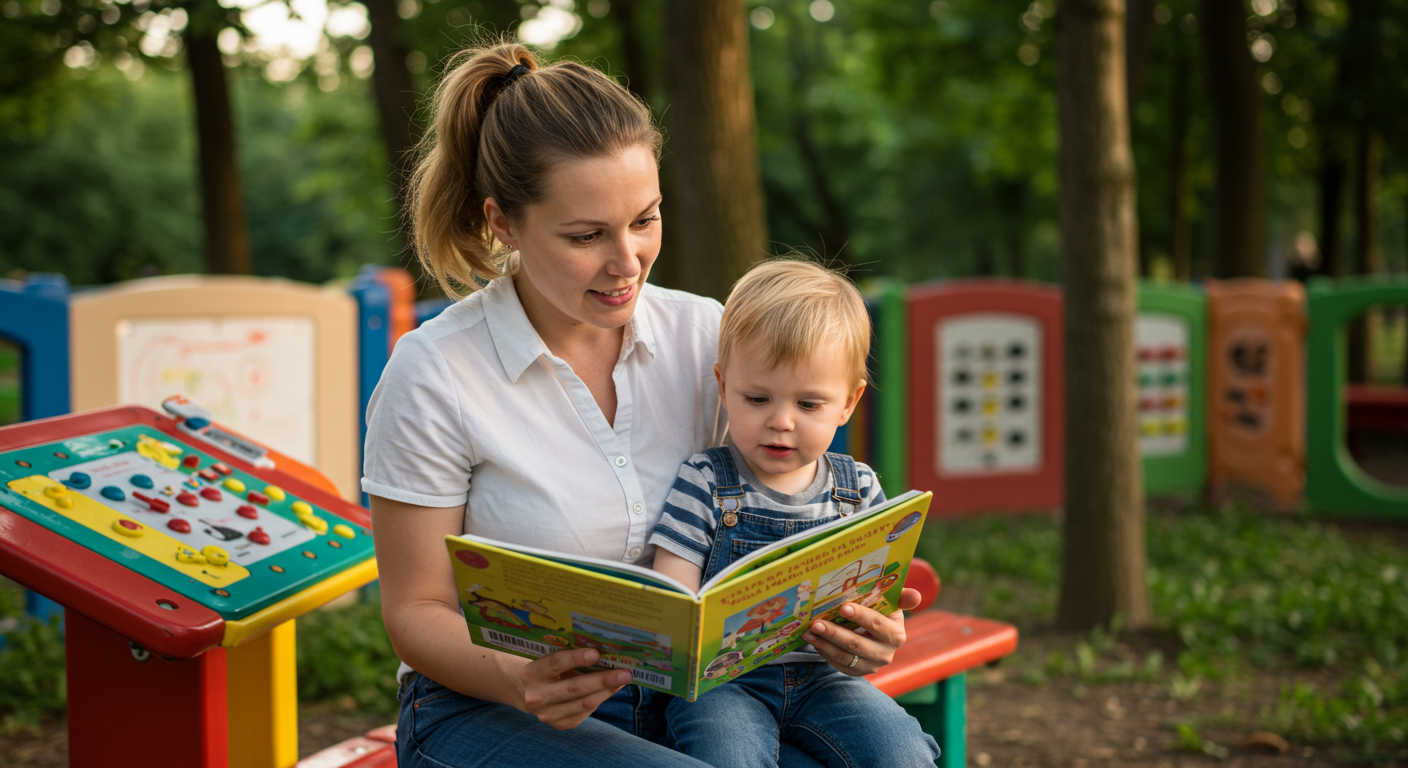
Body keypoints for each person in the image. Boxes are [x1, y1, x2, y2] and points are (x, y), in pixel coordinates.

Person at [363, 42, 922, 768]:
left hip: (703, 695)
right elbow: (414, 612)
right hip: (486, 705)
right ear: (503, 223)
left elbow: (784, 499)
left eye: (645, 220)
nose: (626, 261)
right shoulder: (436, 372)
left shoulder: (704, 334)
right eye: (585, 235)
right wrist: (517, 676)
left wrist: (858, 624)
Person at [651, 260, 941, 767]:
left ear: (847, 404)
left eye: (809, 404)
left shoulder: (859, 490)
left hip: (825, 680)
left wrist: (879, 621)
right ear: (723, 388)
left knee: (904, 751)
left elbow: (877, 602)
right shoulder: (704, 481)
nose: (780, 421)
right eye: (757, 398)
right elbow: (673, 602)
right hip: (724, 685)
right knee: (729, 754)